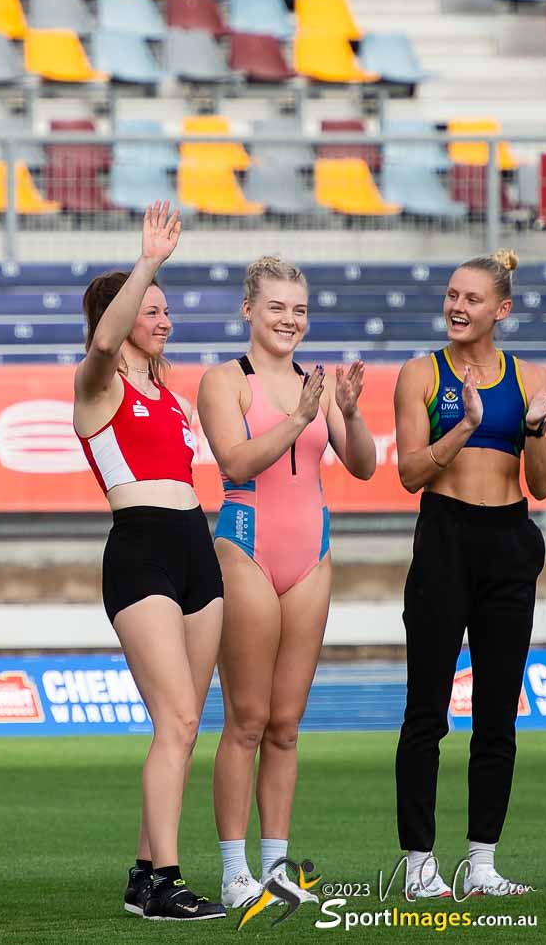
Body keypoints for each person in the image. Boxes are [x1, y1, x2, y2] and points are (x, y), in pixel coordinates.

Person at [198, 257, 377, 908]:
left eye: (299, 309)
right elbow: (235, 460)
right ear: (249, 310)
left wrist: (348, 415)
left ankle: (276, 866)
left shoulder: (319, 384)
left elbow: (362, 466)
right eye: (276, 307)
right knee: (246, 718)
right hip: (246, 546)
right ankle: (234, 869)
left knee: (287, 723)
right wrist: (301, 418)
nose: (289, 320)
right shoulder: (224, 381)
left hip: (311, 553)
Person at [392, 249, 546, 900]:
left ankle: (483, 863)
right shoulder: (420, 373)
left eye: (472, 298)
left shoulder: (528, 378)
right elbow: (410, 472)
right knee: (426, 714)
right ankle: (418, 866)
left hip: (509, 543)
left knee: (497, 716)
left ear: (501, 309)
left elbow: (543, 483)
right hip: (443, 539)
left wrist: (537, 425)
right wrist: (464, 424)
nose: (458, 308)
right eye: (452, 296)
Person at [73, 202, 226, 922]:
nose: (164, 319)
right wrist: (148, 261)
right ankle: (164, 882)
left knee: (187, 723)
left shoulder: (170, 393)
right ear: (123, 310)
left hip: (196, 548)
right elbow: (105, 341)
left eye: (167, 309)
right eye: (152, 308)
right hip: (140, 553)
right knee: (174, 720)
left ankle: (143, 874)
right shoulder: (100, 383)